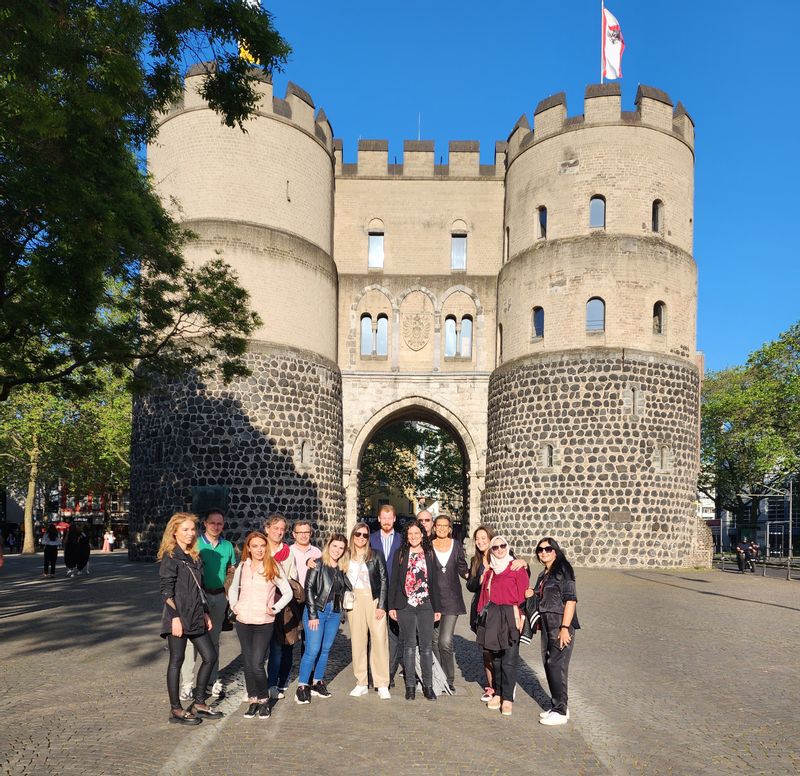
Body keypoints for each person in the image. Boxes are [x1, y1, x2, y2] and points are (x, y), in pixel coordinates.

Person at [157, 512, 223, 726]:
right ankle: (175, 709)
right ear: (174, 531)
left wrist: (204, 612)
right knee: (176, 660)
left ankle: (199, 702)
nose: (190, 533)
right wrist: (174, 618)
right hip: (177, 617)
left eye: (192, 529)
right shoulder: (171, 556)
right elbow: (166, 591)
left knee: (210, 656)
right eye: (185, 529)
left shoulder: (195, 556)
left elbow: (198, 588)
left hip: (196, 615)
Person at [227, 531, 293, 720]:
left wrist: (275, 608)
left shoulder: (273, 565)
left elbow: (287, 592)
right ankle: (253, 700)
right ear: (248, 548)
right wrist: (234, 606)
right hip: (243, 621)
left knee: (256, 663)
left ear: (266, 547)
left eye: (262, 546)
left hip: (264, 622)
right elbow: (233, 588)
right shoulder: (243, 566)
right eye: (254, 546)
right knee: (247, 663)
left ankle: (264, 700)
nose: (259, 550)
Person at [179, 509, 237, 701]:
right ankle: (187, 683)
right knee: (191, 642)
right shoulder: (195, 544)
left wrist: (229, 590)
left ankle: (212, 680)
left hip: (219, 597)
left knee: (214, 641)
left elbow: (231, 569)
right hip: (198, 598)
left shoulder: (227, 546)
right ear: (205, 523)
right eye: (213, 523)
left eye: (220, 524)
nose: (216, 527)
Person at [466, 524, 526, 704]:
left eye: (484, 538)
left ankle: (505, 690)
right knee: (488, 653)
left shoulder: (507, 558)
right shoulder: (477, 561)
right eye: (477, 539)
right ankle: (494, 688)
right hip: (485, 612)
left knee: (504, 654)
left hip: (506, 613)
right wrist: (480, 577)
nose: (480, 542)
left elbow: (521, 579)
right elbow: (471, 586)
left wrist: (525, 562)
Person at [389, 519, 441, 701]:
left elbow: (435, 583)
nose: (413, 537)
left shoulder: (429, 553)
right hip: (406, 605)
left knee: (426, 648)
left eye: (416, 534)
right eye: (410, 534)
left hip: (426, 605)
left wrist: (437, 607)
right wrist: (391, 606)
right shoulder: (401, 553)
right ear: (406, 536)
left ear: (422, 535)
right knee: (409, 646)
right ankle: (410, 686)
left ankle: (428, 685)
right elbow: (394, 580)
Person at [295, 534, 350, 704]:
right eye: (335, 546)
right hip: (317, 611)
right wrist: (312, 615)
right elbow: (309, 589)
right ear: (328, 545)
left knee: (325, 649)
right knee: (312, 649)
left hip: (333, 613)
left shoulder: (342, 568)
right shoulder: (317, 563)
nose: (337, 550)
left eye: (341, 548)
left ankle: (318, 681)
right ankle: (302, 686)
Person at [533, 536, 579, 726]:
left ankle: (560, 711)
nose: (544, 552)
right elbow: (541, 595)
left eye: (548, 549)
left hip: (560, 622)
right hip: (546, 623)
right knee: (548, 662)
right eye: (540, 549)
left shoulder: (563, 569)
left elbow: (571, 599)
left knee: (557, 664)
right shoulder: (543, 574)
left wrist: (565, 627)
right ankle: (558, 705)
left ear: (556, 551)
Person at [345, 522, 391, 699]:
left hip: (373, 598)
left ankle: (381, 683)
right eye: (358, 534)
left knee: (379, 641)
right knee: (358, 641)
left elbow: (384, 580)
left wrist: (381, 605)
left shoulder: (376, 555)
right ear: (353, 535)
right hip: (354, 600)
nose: (361, 538)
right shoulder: (346, 556)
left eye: (365, 535)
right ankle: (361, 682)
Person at [263, 514, 300, 699]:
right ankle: (257, 684)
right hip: (261, 603)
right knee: (260, 648)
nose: (279, 532)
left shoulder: (287, 552)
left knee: (279, 646)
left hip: (281, 603)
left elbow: (292, 577)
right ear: (267, 529)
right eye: (276, 528)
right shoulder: (259, 548)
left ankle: (275, 682)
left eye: (282, 529)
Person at [430, 514, 468, 693]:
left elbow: (462, 567)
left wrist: (473, 577)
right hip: (432, 600)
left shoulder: (457, 545)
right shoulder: (428, 546)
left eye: (445, 526)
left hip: (451, 600)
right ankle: (438, 677)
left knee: (445, 641)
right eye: (439, 525)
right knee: (433, 640)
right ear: (434, 527)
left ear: (450, 528)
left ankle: (448, 678)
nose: (442, 528)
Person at [370, 504, 403, 686]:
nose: (387, 521)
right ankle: (373, 672)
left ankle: (388, 674)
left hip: (396, 593)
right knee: (374, 634)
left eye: (390, 518)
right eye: (384, 517)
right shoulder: (371, 539)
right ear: (379, 519)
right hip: (375, 592)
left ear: (394, 519)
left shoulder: (401, 539)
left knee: (393, 635)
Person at [289, 520, 322, 588]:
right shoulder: (289, 551)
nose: (303, 535)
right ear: (294, 534)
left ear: (311, 533)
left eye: (306, 532)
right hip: (294, 593)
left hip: (313, 594)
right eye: (300, 532)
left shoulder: (317, 552)